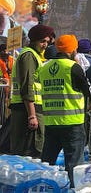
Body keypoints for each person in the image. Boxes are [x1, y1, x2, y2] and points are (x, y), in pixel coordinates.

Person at [38, 34, 91, 186]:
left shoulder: (44, 68)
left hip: (51, 123)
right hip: (72, 124)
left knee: (47, 163)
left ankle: (44, 187)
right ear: (72, 49)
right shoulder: (73, 67)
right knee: (74, 166)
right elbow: (88, 91)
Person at [10, 24, 54, 157]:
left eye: (47, 41)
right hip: (27, 109)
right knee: (29, 149)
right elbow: (27, 85)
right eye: (42, 41)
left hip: (30, 107)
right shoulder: (29, 56)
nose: (45, 45)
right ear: (34, 40)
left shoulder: (34, 55)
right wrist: (32, 115)